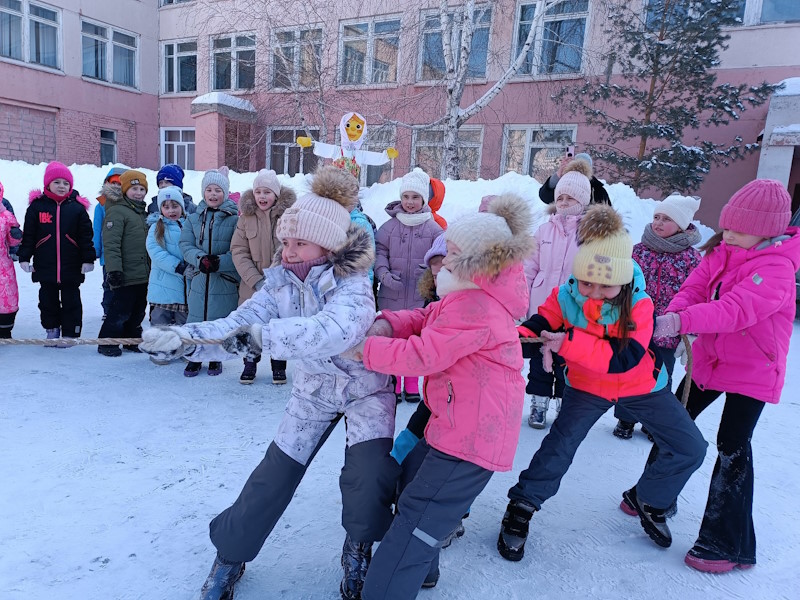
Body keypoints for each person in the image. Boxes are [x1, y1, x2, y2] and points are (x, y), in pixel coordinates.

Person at [138, 166, 400, 600]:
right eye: (286, 241)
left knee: (368, 477)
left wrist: (266, 337)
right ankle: (230, 554)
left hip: (365, 391)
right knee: (273, 475)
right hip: (314, 390)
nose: (290, 250)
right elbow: (237, 324)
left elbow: (332, 330)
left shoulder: (353, 285)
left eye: (300, 242)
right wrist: (185, 341)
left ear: (328, 243)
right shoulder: (276, 284)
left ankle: (358, 549)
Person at [345, 194, 534, 598]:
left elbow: (423, 354)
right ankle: (423, 572)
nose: (443, 261)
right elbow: (426, 317)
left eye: (452, 254)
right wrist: (387, 322)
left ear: (477, 264)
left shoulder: (478, 307)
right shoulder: (465, 298)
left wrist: (366, 350)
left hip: (468, 441)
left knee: (415, 522)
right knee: (412, 485)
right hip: (450, 425)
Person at [497, 205, 707, 563]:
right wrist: (510, 337)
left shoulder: (640, 306)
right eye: (586, 282)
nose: (592, 292)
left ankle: (650, 499)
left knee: (691, 447)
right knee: (559, 447)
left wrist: (568, 344)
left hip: (641, 385)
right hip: (586, 385)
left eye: (604, 285)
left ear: (623, 280)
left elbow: (623, 358)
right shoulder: (568, 294)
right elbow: (541, 321)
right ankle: (522, 506)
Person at [654, 180, 800, 573]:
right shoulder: (722, 252)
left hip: (753, 368)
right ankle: (653, 496)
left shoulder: (777, 268)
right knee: (673, 423)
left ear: (767, 229)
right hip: (710, 360)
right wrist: (677, 311)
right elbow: (695, 287)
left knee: (732, 446)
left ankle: (724, 542)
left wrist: (681, 320)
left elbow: (734, 311)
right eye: (727, 225)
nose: (729, 232)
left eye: (739, 227)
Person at [613, 194, 702, 439]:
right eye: (656, 217)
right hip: (633, 327)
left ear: (682, 225)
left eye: (667, 219)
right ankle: (626, 418)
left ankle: (653, 422)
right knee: (629, 371)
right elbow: (621, 285)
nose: (659, 223)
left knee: (660, 377)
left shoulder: (691, 259)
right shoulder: (638, 252)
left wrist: (692, 329)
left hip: (669, 332)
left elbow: (699, 295)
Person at [524, 158, 592, 429]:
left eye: (570, 198)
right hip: (542, 305)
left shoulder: (590, 233)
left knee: (569, 360)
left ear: (583, 200)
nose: (563, 202)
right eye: (560, 197)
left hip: (575, 308)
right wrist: (523, 299)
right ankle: (538, 404)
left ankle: (565, 404)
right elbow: (529, 266)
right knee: (540, 361)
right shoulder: (543, 229)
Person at [374, 168, 443, 402]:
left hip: (418, 295)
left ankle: (412, 383)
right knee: (392, 337)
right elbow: (379, 250)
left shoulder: (433, 228)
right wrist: (382, 273)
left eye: (415, 197)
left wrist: (429, 272)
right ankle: (393, 381)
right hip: (391, 292)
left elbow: (442, 254)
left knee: (414, 339)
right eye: (406, 197)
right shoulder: (390, 227)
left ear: (424, 199)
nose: (410, 202)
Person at [17, 162, 95, 342]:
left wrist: (88, 259)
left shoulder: (77, 209)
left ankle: (70, 332)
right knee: (47, 300)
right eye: (57, 182)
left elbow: (85, 236)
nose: (62, 186)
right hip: (45, 265)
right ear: (47, 184)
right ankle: (51, 329)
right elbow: (29, 235)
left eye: (66, 183)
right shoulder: (37, 208)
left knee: (71, 301)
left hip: (71, 265)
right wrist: (24, 257)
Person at [231, 168, 296, 384]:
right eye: (258, 192)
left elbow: (294, 247)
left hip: (281, 283)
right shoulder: (245, 219)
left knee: (278, 326)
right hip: (252, 286)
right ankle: (250, 363)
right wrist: (255, 279)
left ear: (276, 195)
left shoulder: (289, 217)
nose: (262, 197)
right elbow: (239, 251)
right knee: (251, 325)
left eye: (267, 192)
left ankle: (279, 365)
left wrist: (281, 275)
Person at [179, 168, 240, 377]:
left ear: (225, 193)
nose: (213, 195)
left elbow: (240, 250)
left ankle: (216, 357)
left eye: (218, 190)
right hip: (199, 278)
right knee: (196, 319)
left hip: (223, 279)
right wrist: (199, 259)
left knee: (218, 321)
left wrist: (219, 262)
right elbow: (185, 244)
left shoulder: (234, 219)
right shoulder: (194, 218)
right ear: (203, 192)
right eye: (209, 190)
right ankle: (194, 357)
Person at [97, 170, 151, 357]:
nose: (138, 193)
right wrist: (114, 271)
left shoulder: (141, 212)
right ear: (125, 189)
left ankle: (131, 339)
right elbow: (111, 245)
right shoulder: (117, 211)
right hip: (125, 273)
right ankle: (107, 341)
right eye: (134, 188)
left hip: (142, 272)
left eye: (142, 189)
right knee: (120, 310)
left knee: (138, 310)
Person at [145, 185, 193, 343]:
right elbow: (155, 252)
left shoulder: (189, 225)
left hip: (184, 286)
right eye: (166, 207)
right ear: (160, 209)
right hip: (163, 284)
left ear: (182, 207)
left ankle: (184, 348)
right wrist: (178, 266)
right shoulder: (156, 228)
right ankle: (159, 349)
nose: (171, 210)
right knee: (160, 322)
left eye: (175, 206)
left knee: (184, 322)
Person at [93, 166, 127, 319]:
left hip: (127, 253)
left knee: (126, 283)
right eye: (113, 183)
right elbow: (97, 228)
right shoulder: (101, 204)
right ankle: (108, 309)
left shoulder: (130, 203)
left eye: (120, 183)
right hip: (108, 254)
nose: (116, 186)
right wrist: (96, 250)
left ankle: (124, 307)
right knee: (108, 283)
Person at [538, 153, 610, 206]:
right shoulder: (565, 184)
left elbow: (607, 218)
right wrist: (558, 175)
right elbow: (545, 197)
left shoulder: (597, 190)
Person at [0, 179, 22, 338]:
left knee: (7, 298)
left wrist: (16, 238)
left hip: (2, 264)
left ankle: (4, 330)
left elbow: (13, 238)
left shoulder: (5, 215)